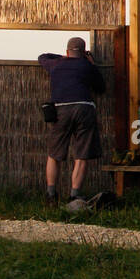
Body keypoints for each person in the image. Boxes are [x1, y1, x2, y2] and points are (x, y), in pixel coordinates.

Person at [38, 36, 106, 207]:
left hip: (61, 109)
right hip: (84, 109)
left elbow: (42, 56)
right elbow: (101, 87)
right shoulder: (87, 66)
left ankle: (51, 195)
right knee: (81, 155)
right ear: (83, 53)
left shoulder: (56, 64)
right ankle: (74, 196)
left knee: (54, 154)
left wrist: (64, 57)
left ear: (67, 51)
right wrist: (89, 61)